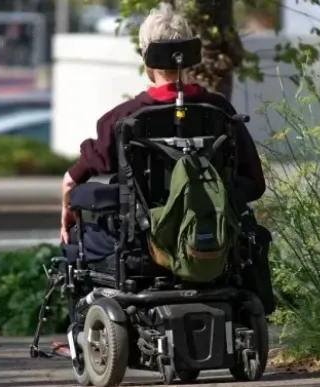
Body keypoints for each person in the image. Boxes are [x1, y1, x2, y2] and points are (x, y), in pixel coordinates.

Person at [52, 3, 266, 357]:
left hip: (141, 247)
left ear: (146, 56)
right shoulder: (221, 114)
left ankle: (79, 337)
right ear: (192, 55)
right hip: (211, 241)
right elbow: (254, 184)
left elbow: (71, 183)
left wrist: (67, 212)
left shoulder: (123, 119)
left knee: (77, 237)